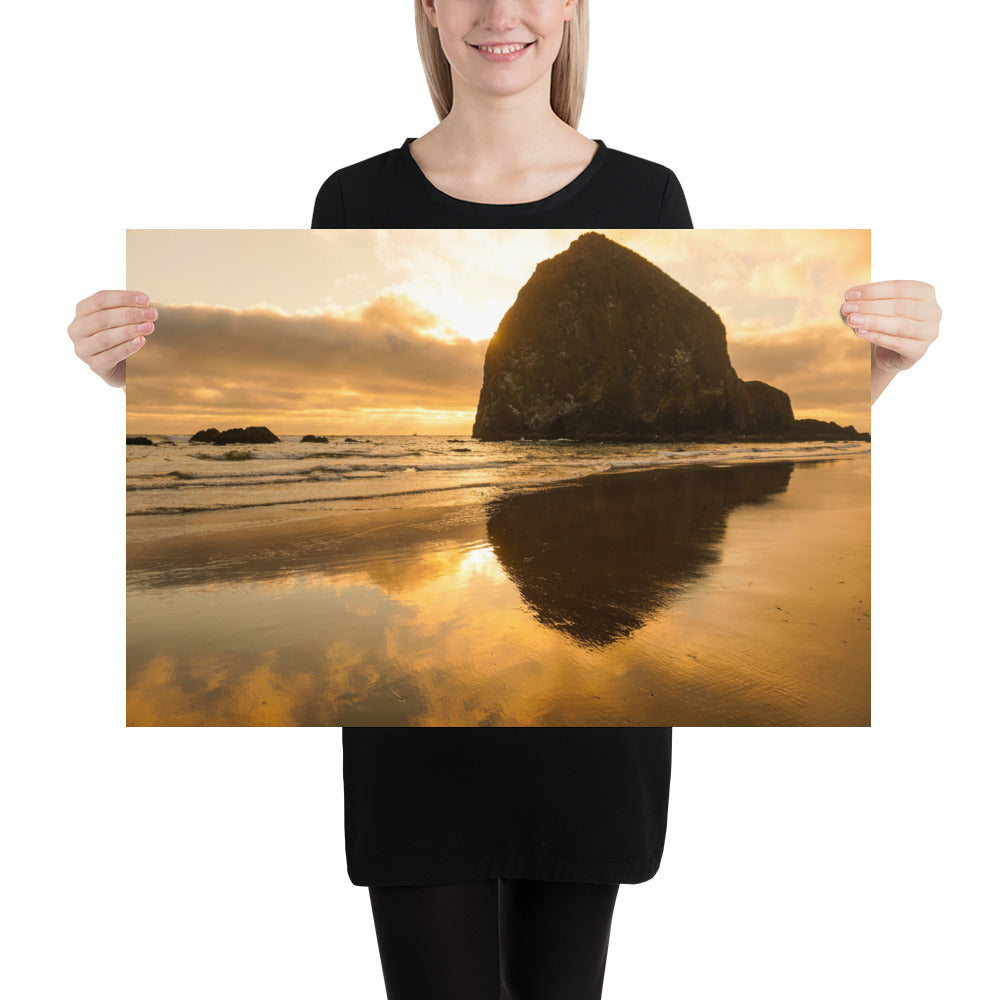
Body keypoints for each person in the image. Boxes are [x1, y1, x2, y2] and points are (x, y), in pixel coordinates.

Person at [67, 2, 941, 997]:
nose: (500, 12)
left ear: (571, 5)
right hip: (412, 738)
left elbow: (717, 430)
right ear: (429, 10)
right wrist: (122, 380)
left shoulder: (649, 192)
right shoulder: (351, 197)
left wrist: (877, 372)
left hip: (599, 716)